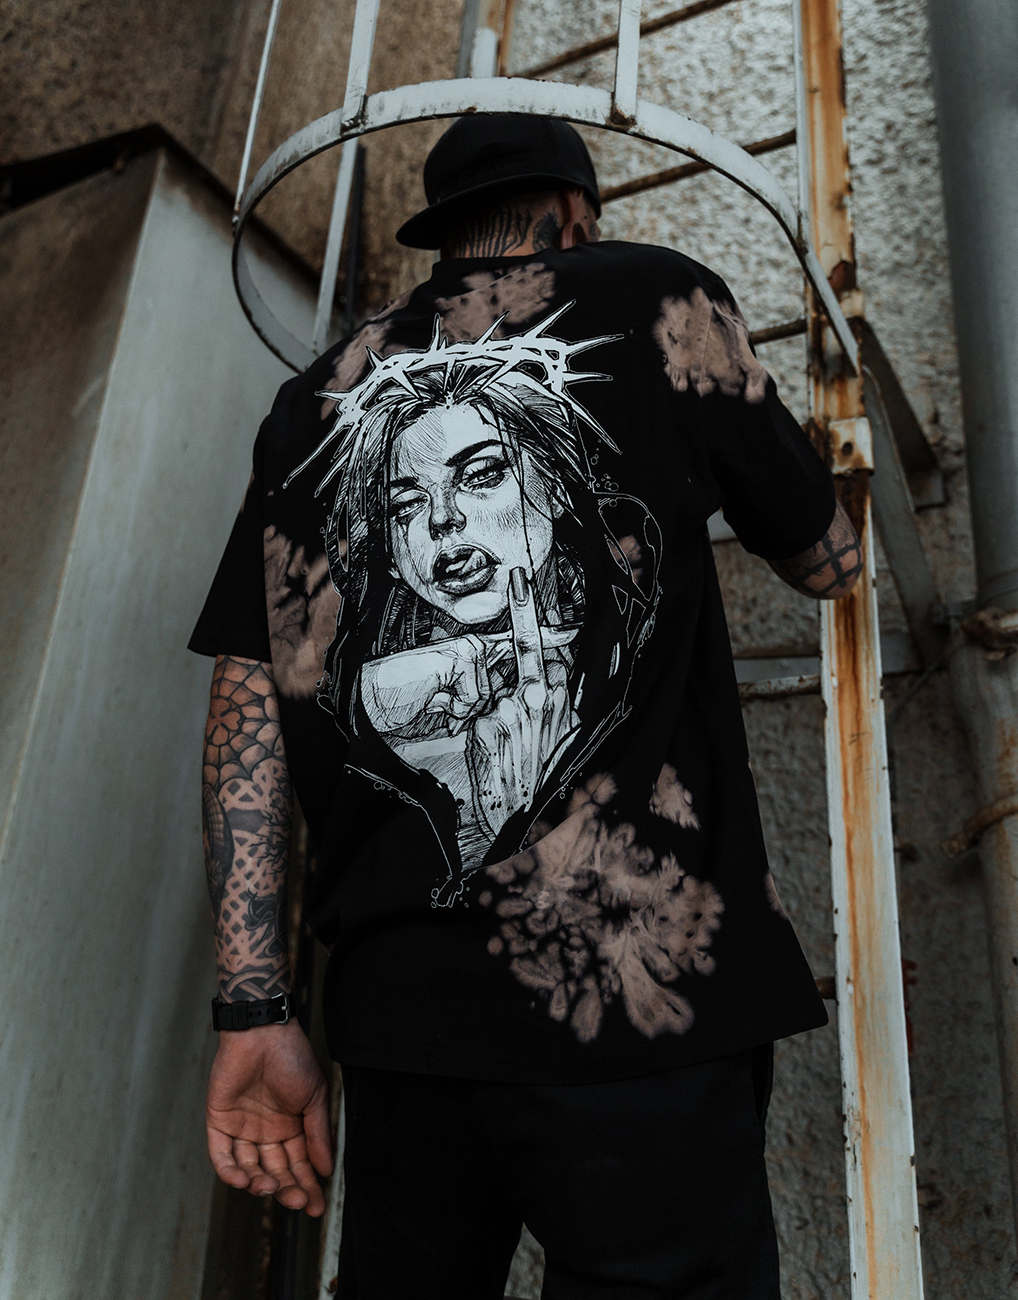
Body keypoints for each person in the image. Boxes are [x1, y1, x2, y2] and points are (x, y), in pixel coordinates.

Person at [190, 113, 862, 1299]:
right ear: (575, 215)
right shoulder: (657, 298)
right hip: (642, 1003)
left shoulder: (309, 403)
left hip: (402, 1028)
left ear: (440, 238)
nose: (444, 527)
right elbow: (825, 559)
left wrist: (253, 1004)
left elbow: (246, 701)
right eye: (412, 504)